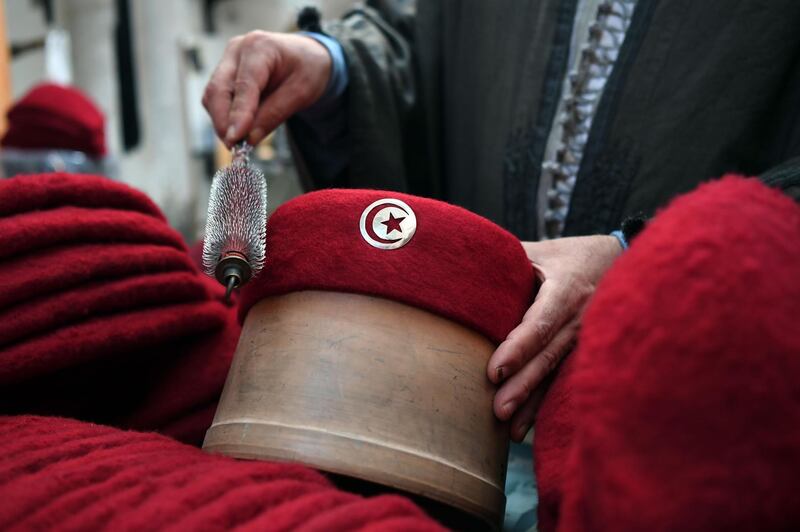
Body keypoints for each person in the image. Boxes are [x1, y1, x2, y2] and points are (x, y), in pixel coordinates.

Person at [202, 0, 800, 446]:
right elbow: (425, 42)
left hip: (689, 412)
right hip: (451, 398)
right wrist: (334, 66)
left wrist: (643, 255)